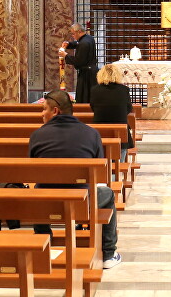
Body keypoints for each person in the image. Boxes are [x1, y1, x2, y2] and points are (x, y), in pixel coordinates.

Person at [29, 90, 120, 268]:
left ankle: (44, 240)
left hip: (46, 203)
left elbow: (33, 170)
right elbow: (99, 173)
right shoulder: (91, 134)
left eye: (44, 109)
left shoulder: (37, 135)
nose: (42, 114)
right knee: (107, 193)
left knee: (38, 190)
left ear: (55, 111)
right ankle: (108, 254)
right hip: (82, 203)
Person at [89, 63, 134, 156]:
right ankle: (120, 164)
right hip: (120, 129)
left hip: (100, 129)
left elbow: (93, 107)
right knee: (122, 146)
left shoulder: (95, 90)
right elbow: (129, 108)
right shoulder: (124, 90)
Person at [60, 23, 98, 103]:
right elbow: (78, 43)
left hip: (87, 75)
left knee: (84, 98)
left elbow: (79, 61)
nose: (72, 36)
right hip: (91, 72)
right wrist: (69, 44)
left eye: (73, 34)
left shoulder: (84, 43)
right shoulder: (89, 38)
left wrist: (65, 55)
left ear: (79, 32)